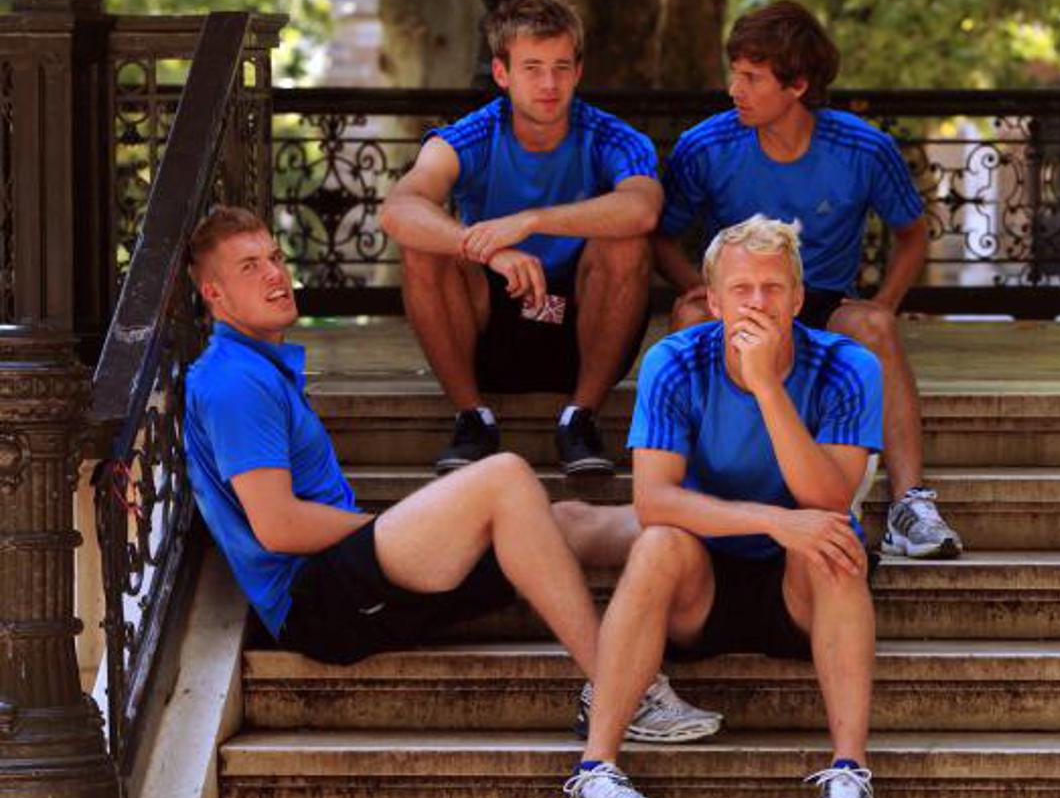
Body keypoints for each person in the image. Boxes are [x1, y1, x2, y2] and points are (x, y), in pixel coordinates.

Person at [183, 206, 718, 742]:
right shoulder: (235, 382)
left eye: (275, 257)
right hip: (318, 602)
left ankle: (717, 532)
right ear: (215, 295)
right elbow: (278, 527)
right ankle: (619, 688)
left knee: (564, 522)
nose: (275, 274)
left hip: (345, 577)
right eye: (250, 266)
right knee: (503, 477)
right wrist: (388, 531)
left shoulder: (256, 368)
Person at [564, 216, 882, 798]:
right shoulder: (675, 360)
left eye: (772, 288)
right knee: (658, 541)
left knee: (834, 540)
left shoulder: (850, 365)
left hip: (799, 589)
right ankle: (596, 769)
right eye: (741, 289)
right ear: (714, 301)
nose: (757, 303)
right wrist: (771, 519)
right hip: (698, 582)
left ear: (798, 297)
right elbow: (653, 500)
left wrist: (766, 386)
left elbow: (827, 499)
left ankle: (850, 775)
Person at [652, 0, 962, 561]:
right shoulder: (705, 146)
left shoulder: (865, 149)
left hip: (821, 300)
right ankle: (692, 490)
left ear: (796, 85)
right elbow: (661, 236)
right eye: (734, 73)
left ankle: (909, 505)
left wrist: (885, 303)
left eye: (751, 78)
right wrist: (698, 287)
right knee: (691, 317)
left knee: (874, 327)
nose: (734, 89)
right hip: (743, 301)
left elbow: (912, 235)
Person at [379, 0, 659, 477]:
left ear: (578, 72)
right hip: (490, 330)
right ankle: (473, 418)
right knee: (425, 248)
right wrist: (489, 251)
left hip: (582, 331)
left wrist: (530, 221)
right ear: (502, 73)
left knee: (626, 238)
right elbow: (398, 210)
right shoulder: (471, 136)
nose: (549, 84)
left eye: (561, 67)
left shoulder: (613, 138)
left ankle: (580, 420)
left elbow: (643, 208)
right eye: (532, 68)